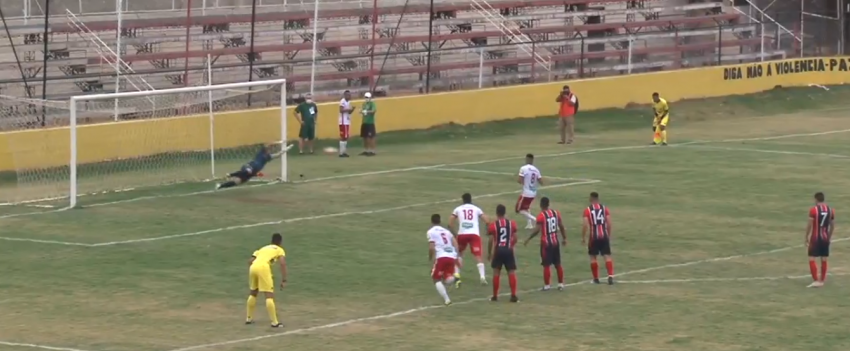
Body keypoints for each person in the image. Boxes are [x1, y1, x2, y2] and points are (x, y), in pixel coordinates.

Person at [524, 197, 567, 291]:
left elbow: (537, 230)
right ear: (548, 204)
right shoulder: (556, 213)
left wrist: (528, 238)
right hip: (555, 242)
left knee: (546, 265)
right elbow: (562, 226)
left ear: (541, 205)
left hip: (546, 243)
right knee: (558, 264)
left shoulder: (541, 216)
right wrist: (564, 238)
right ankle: (560, 284)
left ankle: (547, 285)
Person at [246, 232, 287, 328]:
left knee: (253, 292)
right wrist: (284, 279)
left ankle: (249, 318)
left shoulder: (262, 248)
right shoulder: (279, 250)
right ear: (280, 242)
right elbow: (282, 263)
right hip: (264, 268)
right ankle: (274, 322)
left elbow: (250, 261)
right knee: (269, 295)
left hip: (253, 267)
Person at [449, 193, 491, 287]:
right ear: (471, 199)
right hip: (474, 234)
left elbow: (450, 222)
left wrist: (455, 234)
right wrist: (487, 229)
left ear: (463, 200)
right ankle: (482, 277)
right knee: (478, 256)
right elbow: (487, 220)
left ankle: (457, 275)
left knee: (459, 254)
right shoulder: (476, 209)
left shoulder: (458, 209)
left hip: (462, 234)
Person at [216, 143, 292, 190]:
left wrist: (286, 149)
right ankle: (230, 174)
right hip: (249, 166)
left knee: (237, 182)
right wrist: (275, 143)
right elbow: (266, 145)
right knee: (248, 171)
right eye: (268, 149)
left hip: (253, 172)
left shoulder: (268, 157)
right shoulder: (261, 152)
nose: (269, 150)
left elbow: (278, 155)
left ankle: (220, 186)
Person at [487, 204, 519, 303]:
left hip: (498, 250)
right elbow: (516, 237)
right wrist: (511, 245)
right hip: (508, 249)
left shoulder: (493, 225)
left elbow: (491, 239)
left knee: (496, 272)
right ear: (504, 212)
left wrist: (489, 253)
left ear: (497, 213)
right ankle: (513, 295)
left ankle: (495, 296)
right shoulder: (511, 224)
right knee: (511, 272)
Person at [582, 192, 614, 285]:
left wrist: (583, 237)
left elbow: (585, 225)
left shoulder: (587, 210)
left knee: (593, 257)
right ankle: (610, 276)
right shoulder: (604, 209)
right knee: (607, 256)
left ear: (591, 198)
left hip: (593, 237)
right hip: (604, 235)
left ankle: (596, 278)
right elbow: (609, 222)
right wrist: (608, 234)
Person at [427, 214, 459, 306]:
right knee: (446, 279)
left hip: (441, 257)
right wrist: (455, 255)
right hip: (451, 256)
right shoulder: (447, 231)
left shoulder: (431, 232)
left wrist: (430, 258)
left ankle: (447, 299)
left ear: (432, 222)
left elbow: (431, 247)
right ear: (440, 221)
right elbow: (455, 243)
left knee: (436, 279)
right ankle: (454, 278)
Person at [806, 192, 835, 288]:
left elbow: (810, 225)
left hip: (815, 238)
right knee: (824, 259)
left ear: (816, 199)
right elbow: (832, 225)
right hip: (825, 237)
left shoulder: (813, 210)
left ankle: (816, 280)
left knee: (811, 258)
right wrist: (829, 237)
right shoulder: (830, 210)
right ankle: (822, 280)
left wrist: (806, 236)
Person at [517, 153, 544, 229]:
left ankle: (536, 220)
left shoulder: (523, 168)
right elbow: (541, 182)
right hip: (533, 192)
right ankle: (529, 224)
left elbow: (519, 180)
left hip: (526, 193)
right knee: (526, 207)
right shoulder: (536, 170)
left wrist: (524, 183)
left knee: (518, 209)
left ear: (527, 159)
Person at [338, 90, 356, 157]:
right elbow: (341, 110)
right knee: (343, 137)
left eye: (350, 95)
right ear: (345, 95)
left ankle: (344, 152)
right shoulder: (342, 101)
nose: (350, 96)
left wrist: (352, 109)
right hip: (343, 121)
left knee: (346, 136)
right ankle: (341, 152)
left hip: (347, 121)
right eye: (348, 95)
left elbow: (349, 112)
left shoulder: (348, 102)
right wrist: (348, 109)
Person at [359, 92, 378, 156]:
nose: (366, 98)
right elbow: (362, 110)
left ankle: (372, 151)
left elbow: (373, 111)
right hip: (364, 122)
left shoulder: (372, 104)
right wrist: (361, 111)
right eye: (365, 97)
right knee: (365, 137)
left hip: (370, 122)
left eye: (367, 97)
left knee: (371, 137)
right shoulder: (364, 104)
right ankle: (366, 150)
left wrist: (367, 111)